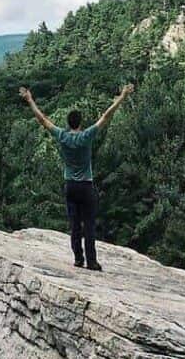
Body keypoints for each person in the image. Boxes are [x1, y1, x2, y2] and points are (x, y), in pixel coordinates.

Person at [19, 84, 135, 270]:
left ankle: (78, 259)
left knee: (74, 225)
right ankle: (91, 261)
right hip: (86, 186)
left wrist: (30, 100)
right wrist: (122, 96)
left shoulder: (63, 136)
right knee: (88, 224)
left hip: (70, 185)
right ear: (80, 122)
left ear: (68, 122)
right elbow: (106, 116)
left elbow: (42, 119)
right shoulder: (86, 136)